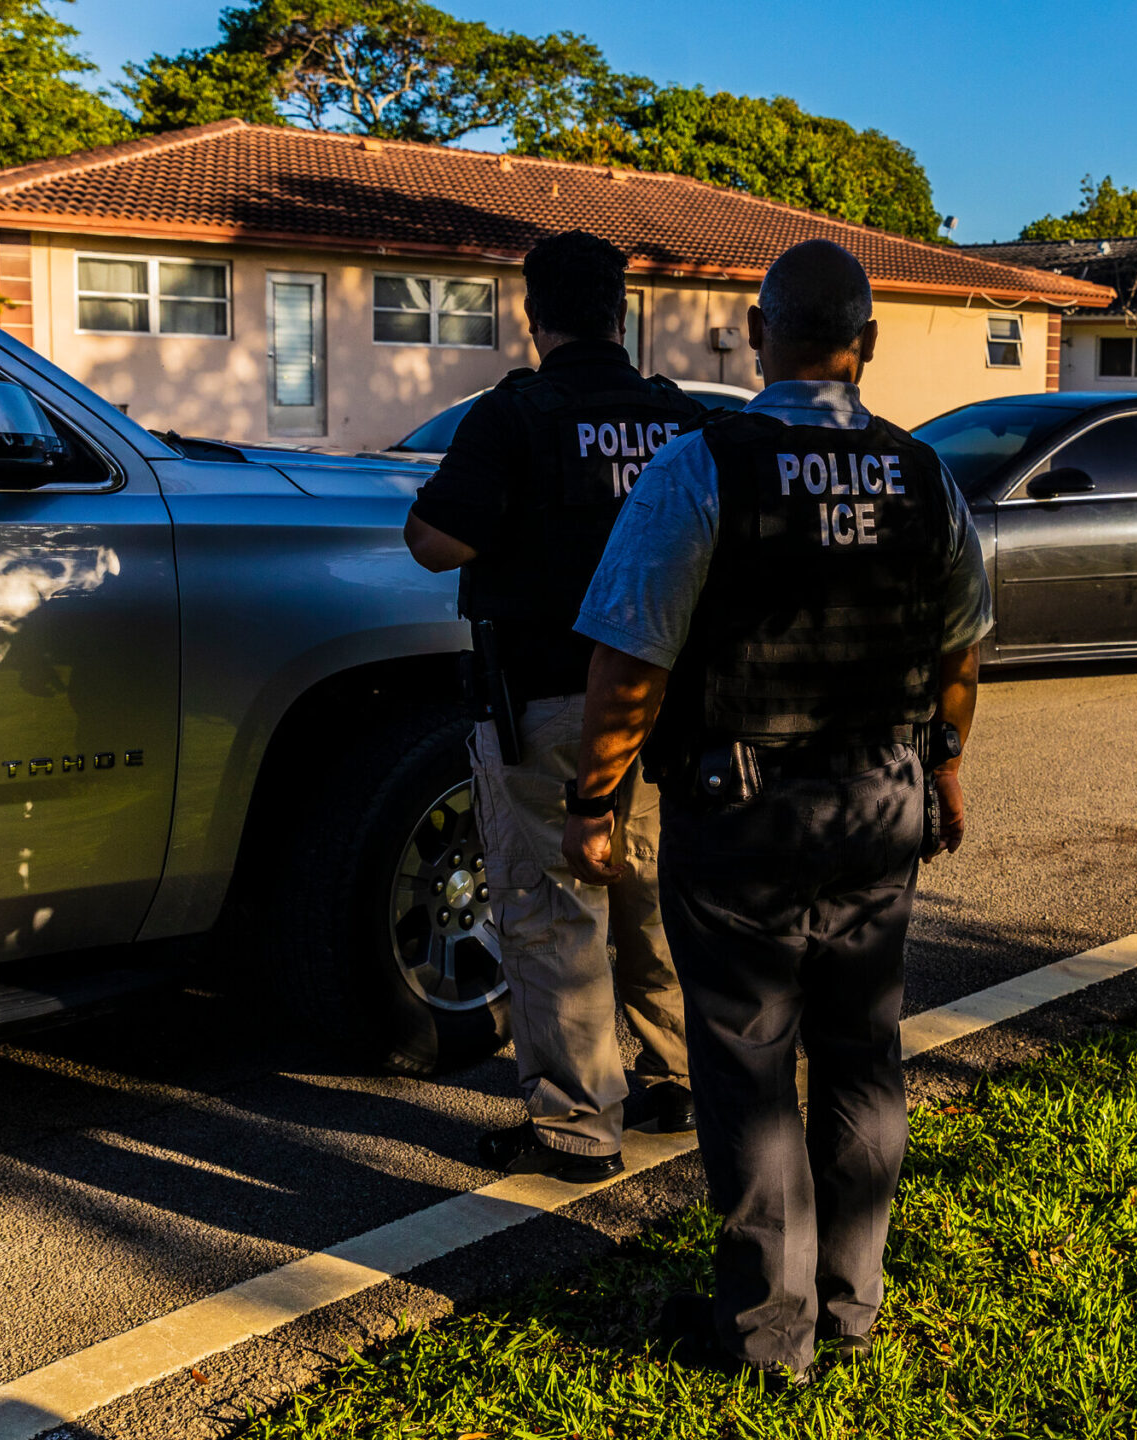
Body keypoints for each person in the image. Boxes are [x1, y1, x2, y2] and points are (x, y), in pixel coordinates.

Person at [559, 239, 989, 1386]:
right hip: (881, 800)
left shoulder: (703, 469)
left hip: (741, 814)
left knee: (747, 1064)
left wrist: (592, 800)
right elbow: (959, 653)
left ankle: (764, 1335)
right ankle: (851, 1304)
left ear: (757, 336)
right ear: (869, 345)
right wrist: (944, 768)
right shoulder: (922, 474)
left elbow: (629, 669)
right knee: (863, 1054)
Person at [403, 229, 706, 1181]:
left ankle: (577, 1128)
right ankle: (676, 1080)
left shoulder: (516, 415)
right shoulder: (678, 419)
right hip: (664, 708)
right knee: (653, 901)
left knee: (552, 915)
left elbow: (435, 542)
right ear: (622, 313)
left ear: (535, 317)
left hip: (548, 704)